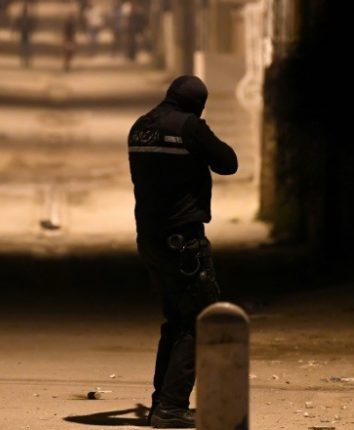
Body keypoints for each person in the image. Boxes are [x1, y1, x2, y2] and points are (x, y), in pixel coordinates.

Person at [127, 75, 238, 428]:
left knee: (176, 321)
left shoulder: (140, 127)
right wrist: (200, 131)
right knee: (201, 321)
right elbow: (228, 162)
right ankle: (171, 407)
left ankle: (162, 404)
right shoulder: (189, 127)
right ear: (197, 105)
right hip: (183, 241)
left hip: (150, 239)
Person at [15, 1, 36, 67]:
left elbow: (32, 26)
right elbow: (17, 25)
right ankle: (24, 60)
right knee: (24, 48)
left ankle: (27, 61)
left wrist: (31, 30)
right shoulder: (21, 18)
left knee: (27, 48)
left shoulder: (28, 18)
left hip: (27, 34)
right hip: (23, 34)